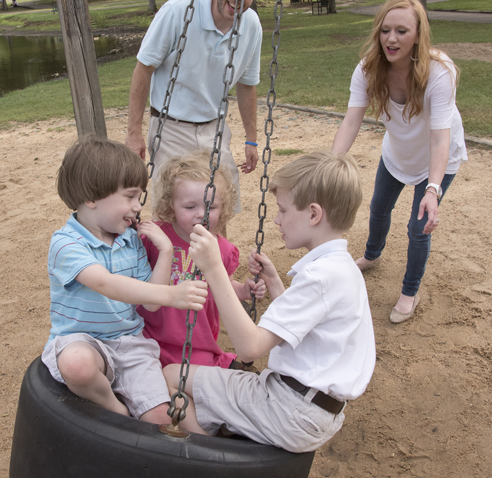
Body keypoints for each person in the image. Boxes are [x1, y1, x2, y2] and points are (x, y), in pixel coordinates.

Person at [163, 151, 376, 453]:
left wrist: (213, 268)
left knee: (171, 375)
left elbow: (250, 347)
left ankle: (209, 457)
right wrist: (276, 284)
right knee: (207, 383)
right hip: (318, 411)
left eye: (283, 210)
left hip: (286, 409)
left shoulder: (320, 277)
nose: (276, 219)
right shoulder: (343, 269)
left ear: (314, 214)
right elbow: (308, 328)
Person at [41, 135, 208, 424]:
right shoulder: (66, 243)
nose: (137, 206)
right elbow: (105, 283)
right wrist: (173, 295)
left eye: (139, 197)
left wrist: (166, 250)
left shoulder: (130, 241)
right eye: (130, 196)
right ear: (91, 197)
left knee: (162, 419)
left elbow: (150, 303)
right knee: (76, 364)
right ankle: (115, 408)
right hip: (84, 342)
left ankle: (134, 410)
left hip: (131, 344)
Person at [332, 0, 467, 323]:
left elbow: (439, 136)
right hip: (398, 154)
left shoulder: (439, 71)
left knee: (418, 227)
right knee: (379, 207)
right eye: (385, 30)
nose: (392, 39)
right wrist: (330, 163)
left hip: (438, 159)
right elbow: (352, 120)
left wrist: (433, 189)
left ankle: (410, 290)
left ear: (419, 34)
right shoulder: (368, 69)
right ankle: (372, 255)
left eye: (402, 31)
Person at [126, 0, 268, 213]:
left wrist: (251, 139)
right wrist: (134, 134)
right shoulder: (178, 12)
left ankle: (216, 257)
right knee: (170, 209)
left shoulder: (251, 25)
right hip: (170, 127)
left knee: (220, 206)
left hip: (214, 129)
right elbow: (143, 69)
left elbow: (247, 84)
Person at [138, 152, 265, 369]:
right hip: (149, 339)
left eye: (211, 207)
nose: (201, 215)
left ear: (223, 207)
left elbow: (223, 286)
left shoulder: (222, 250)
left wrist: (243, 290)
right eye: (190, 207)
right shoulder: (155, 238)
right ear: (171, 205)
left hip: (196, 345)